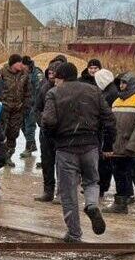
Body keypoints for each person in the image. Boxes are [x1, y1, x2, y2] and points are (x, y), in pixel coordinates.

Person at [41, 62, 114, 242]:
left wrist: (53, 140)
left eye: (56, 78)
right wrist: (107, 146)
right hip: (90, 146)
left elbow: (48, 121)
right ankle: (91, 205)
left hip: (66, 148)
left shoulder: (54, 93)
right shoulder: (94, 91)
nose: (55, 81)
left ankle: (74, 233)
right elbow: (110, 120)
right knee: (91, 181)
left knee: (68, 192)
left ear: (61, 78)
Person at [105, 73, 135, 218]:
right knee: (119, 175)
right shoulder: (116, 102)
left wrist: (131, 146)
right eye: (120, 83)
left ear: (131, 84)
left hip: (133, 149)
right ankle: (120, 203)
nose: (121, 86)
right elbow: (112, 124)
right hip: (117, 147)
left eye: (124, 83)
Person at [33, 55, 67, 202]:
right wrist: (43, 123)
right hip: (46, 131)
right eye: (50, 72)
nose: (52, 75)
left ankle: (62, 193)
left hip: (62, 132)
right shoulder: (44, 87)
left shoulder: (67, 89)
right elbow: (37, 108)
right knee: (47, 162)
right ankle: (48, 191)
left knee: (63, 163)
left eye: (55, 73)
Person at [0, 55, 30, 167]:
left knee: (13, 132)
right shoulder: (2, 73)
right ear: (13, 63)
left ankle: (8, 156)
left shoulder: (24, 74)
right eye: (19, 62)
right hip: (4, 108)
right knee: (2, 132)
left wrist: (25, 105)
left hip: (17, 109)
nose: (21, 64)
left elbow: (27, 91)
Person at [94, 68, 118, 200]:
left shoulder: (109, 95)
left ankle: (101, 187)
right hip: (109, 133)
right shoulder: (111, 91)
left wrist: (107, 143)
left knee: (105, 163)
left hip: (108, 134)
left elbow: (107, 119)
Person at [19, 56, 42, 157]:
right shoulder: (22, 73)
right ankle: (31, 145)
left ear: (27, 65)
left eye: (23, 65)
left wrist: (35, 104)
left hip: (33, 105)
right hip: (23, 104)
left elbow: (39, 90)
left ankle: (29, 148)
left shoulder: (37, 74)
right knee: (23, 126)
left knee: (30, 127)